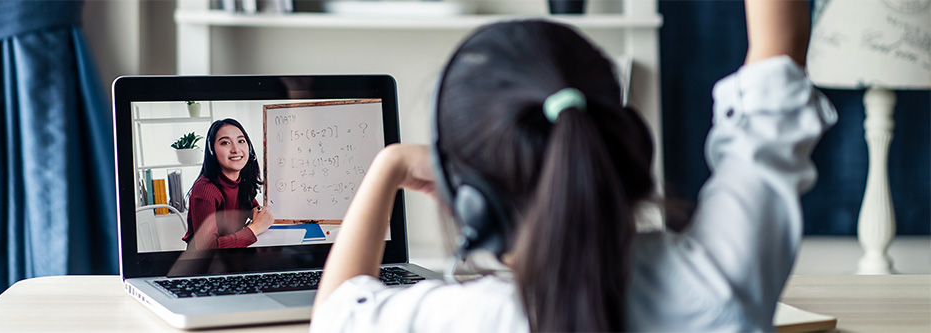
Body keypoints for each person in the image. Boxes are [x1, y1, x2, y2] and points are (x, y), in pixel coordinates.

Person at [310, 0, 837, 331]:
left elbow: (335, 315)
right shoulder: (722, 276)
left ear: (473, 203)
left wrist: (389, 167)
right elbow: (779, 54)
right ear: (622, 146)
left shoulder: (465, 318)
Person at [183, 118, 274, 250]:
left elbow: (256, 211)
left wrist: (261, 215)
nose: (236, 149)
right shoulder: (205, 189)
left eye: (241, 141)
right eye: (225, 143)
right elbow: (207, 248)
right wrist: (254, 229)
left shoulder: (241, 181)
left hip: (233, 259)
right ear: (212, 150)